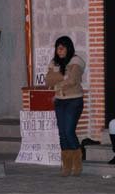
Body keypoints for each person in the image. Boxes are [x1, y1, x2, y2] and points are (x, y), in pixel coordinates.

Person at [45, 36, 85, 176]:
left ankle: (78, 165)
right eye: (58, 47)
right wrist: (63, 76)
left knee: (68, 131)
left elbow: (73, 80)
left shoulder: (76, 61)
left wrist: (57, 80)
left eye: (62, 47)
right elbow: (48, 80)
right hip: (59, 101)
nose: (59, 50)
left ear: (68, 48)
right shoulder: (54, 62)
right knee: (62, 134)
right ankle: (66, 167)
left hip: (74, 100)